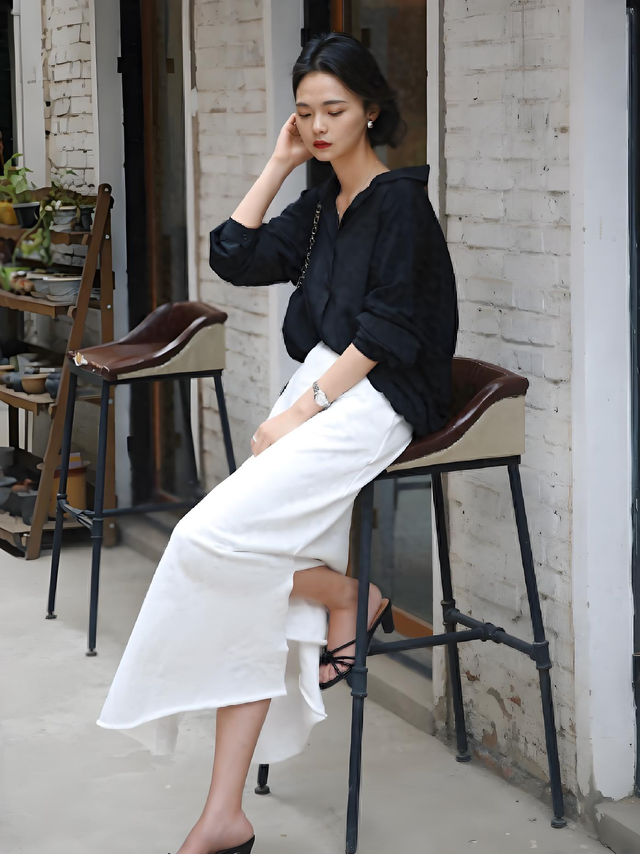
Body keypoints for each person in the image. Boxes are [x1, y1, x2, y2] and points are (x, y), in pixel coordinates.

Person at [96, 32, 458, 854]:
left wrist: (304, 411)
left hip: (375, 394)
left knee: (207, 539)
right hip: (323, 387)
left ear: (371, 110)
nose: (320, 126)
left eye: (335, 110)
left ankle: (344, 596)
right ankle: (224, 815)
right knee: (252, 574)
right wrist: (279, 162)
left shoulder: (400, 203)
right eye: (306, 113)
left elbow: (392, 328)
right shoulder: (322, 205)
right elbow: (234, 256)